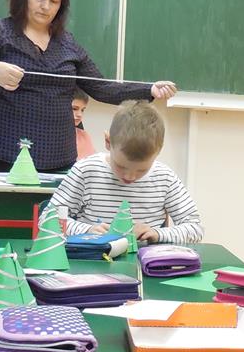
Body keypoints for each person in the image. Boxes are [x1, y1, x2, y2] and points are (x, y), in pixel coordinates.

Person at [0, 0, 177, 172]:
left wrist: (149, 89)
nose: (45, 6)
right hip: (3, 151)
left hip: (58, 155)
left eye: (54, 0)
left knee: (56, 202)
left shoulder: (67, 43)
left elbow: (103, 88)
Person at [49, 100, 202, 244]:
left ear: (158, 152)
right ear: (108, 142)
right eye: (121, 166)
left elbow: (195, 228)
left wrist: (158, 234)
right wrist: (86, 230)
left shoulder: (165, 178)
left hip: (145, 261)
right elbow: (48, 220)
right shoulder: (85, 171)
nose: (130, 176)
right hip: (92, 259)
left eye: (142, 170)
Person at [71, 88, 96, 160]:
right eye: (74, 109)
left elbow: (92, 162)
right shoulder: (50, 136)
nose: (80, 114)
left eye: (82, 110)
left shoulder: (84, 135)